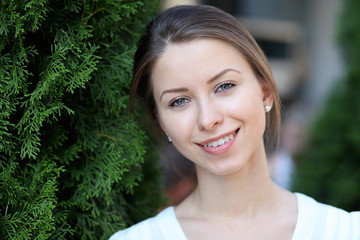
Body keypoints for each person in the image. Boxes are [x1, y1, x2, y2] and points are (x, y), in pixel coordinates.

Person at [109, 5, 360, 240]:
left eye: (224, 86)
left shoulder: (347, 231)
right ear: (162, 123)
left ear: (265, 92)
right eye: (179, 101)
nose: (208, 119)